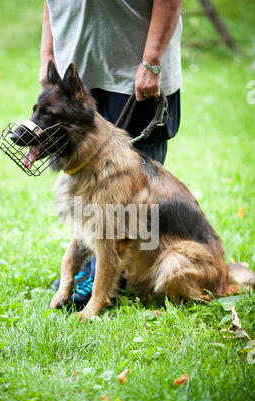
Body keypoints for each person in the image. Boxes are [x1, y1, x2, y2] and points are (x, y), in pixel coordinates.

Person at [40, 0, 183, 307]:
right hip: (74, 73)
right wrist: (47, 54)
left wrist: (153, 60)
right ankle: (92, 270)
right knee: (88, 189)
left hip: (133, 70)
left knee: (131, 198)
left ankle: (118, 279)